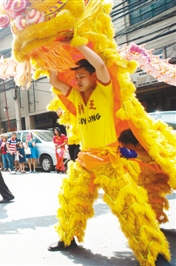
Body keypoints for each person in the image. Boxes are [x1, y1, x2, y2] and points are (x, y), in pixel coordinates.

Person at [47, 44, 169, 264]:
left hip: (108, 160)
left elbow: (101, 64)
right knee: (72, 201)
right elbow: (55, 81)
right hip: (85, 160)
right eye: (76, 78)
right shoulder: (75, 96)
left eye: (82, 76)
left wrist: (78, 44)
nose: (78, 81)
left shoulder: (104, 91)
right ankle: (66, 238)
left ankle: (154, 252)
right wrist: (51, 54)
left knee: (130, 206)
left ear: (94, 77)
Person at [118, 129, 172, 224]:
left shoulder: (153, 148)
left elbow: (152, 158)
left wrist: (134, 154)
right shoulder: (129, 154)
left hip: (164, 178)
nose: (124, 149)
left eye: (127, 147)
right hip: (144, 187)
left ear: (139, 144)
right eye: (123, 147)